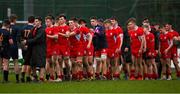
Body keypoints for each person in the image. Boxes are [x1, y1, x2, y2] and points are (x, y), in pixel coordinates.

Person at [22, 17, 46, 82]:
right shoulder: (33, 29)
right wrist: (26, 43)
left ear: (40, 22)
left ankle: (41, 78)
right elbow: (29, 37)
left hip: (40, 49)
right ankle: (35, 77)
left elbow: (37, 39)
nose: (35, 22)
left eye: (37, 21)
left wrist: (27, 42)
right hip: (33, 48)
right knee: (32, 64)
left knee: (41, 64)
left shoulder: (42, 30)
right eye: (35, 21)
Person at [20, 16, 35, 83]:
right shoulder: (34, 28)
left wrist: (23, 44)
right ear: (34, 21)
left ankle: (22, 76)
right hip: (31, 47)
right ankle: (28, 76)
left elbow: (20, 38)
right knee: (29, 63)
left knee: (25, 61)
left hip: (24, 47)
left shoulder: (23, 28)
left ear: (28, 21)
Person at [9, 14, 21, 83]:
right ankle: (17, 79)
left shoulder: (5, 27)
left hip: (6, 46)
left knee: (5, 62)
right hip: (14, 46)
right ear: (15, 19)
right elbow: (18, 38)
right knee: (16, 61)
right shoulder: (17, 28)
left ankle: (5, 79)